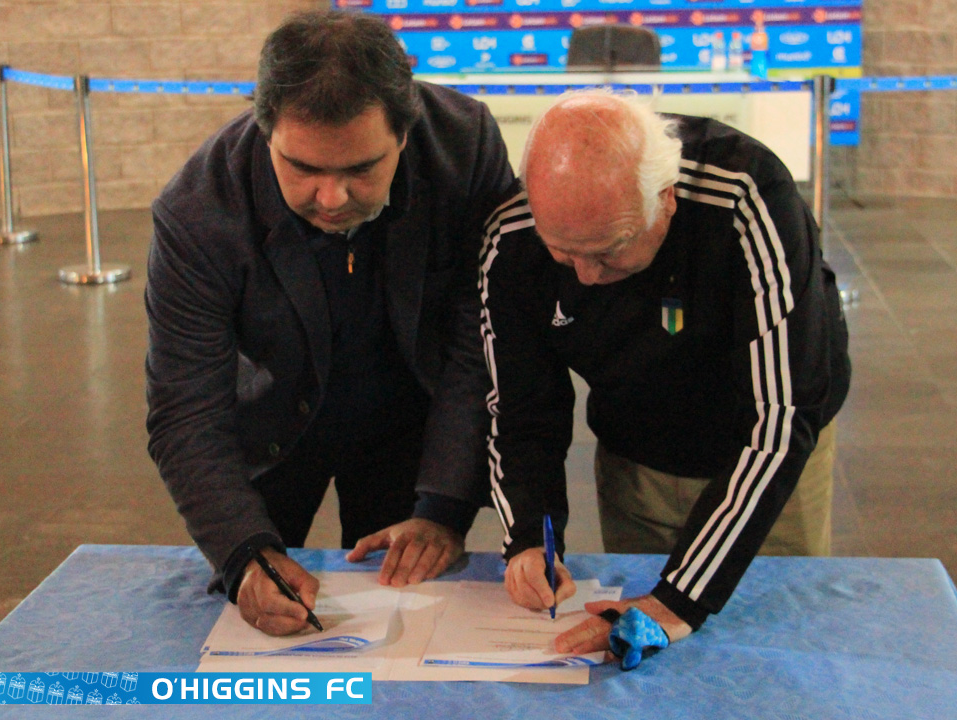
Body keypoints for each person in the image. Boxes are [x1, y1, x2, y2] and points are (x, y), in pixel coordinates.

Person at [145, 11, 514, 636]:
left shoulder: (466, 147)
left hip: (410, 414)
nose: (332, 199)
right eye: (304, 169)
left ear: (406, 130)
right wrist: (243, 553)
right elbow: (185, 407)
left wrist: (445, 506)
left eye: (362, 169)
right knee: (259, 595)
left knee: (405, 612)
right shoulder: (199, 211)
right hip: (271, 422)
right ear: (267, 133)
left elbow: (483, 340)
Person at [480, 90, 850, 657]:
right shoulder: (512, 240)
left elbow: (780, 416)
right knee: (642, 659)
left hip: (763, 457)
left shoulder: (746, 195)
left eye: (609, 250)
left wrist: (678, 601)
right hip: (638, 456)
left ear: (666, 200)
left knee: (772, 644)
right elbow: (521, 408)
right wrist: (530, 536)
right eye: (563, 252)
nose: (586, 275)